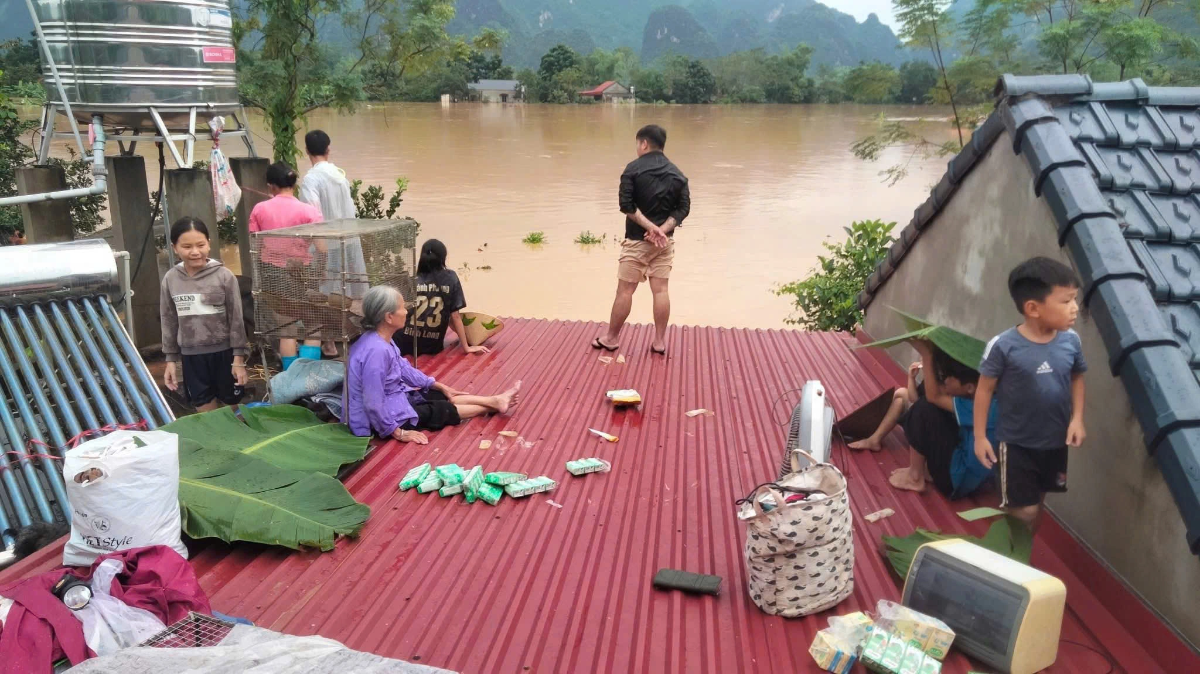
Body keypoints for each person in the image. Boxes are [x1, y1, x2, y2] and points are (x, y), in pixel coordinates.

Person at [975, 257, 1087, 532]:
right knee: (1024, 510)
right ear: (1033, 308)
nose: (1075, 308)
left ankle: (1022, 549)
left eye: (1075, 299)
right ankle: (1006, 547)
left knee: (1038, 501)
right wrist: (980, 437)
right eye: (1066, 301)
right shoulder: (1003, 346)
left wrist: (1077, 419)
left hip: (1054, 442)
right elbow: (984, 389)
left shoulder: (1071, 341)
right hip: (1016, 445)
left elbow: (1077, 377)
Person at [343, 286, 522, 444]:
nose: (406, 311)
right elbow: (373, 403)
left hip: (394, 398)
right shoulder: (376, 351)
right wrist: (398, 433)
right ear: (389, 317)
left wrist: (438, 385)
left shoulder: (382, 340)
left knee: (439, 395)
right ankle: (495, 404)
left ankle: (496, 401)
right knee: (440, 410)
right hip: (379, 420)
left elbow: (404, 369)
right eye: (402, 308)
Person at [593, 124, 690, 356]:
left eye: (638, 144)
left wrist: (650, 228)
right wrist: (661, 230)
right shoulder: (678, 174)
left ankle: (611, 338)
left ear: (644, 143)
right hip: (664, 243)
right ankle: (659, 342)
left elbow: (626, 205)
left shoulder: (633, 169)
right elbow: (683, 209)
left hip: (637, 241)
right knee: (661, 290)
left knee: (625, 291)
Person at [881, 341, 998, 498]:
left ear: (970, 387)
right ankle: (925, 469)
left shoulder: (981, 407)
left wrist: (927, 354)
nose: (946, 381)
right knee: (929, 397)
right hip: (968, 469)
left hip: (955, 481)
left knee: (924, 408)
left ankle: (914, 477)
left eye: (949, 377)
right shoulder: (987, 397)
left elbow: (933, 397)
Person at [160, 217, 249, 412]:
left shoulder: (224, 276)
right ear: (175, 248)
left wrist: (238, 360)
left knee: (234, 411)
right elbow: (168, 321)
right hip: (191, 358)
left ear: (209, 243)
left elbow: (236, 320)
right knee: (206, 412)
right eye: (187, 246)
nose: (195, 252)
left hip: (224, 355)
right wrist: (171, 360)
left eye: (200, 245)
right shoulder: (170, 279)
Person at [249, 161, 325, 369]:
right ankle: (310, 373)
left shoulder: (260, 209)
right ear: (294, 184)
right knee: (313, 325)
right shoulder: (310, 211)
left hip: (272, 272)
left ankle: (291, 374)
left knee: (287, 328)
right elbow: (322, 248)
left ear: (271, 186)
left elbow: (255, 246)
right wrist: (318, 273)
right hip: (302, 272)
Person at [297, 129, 367, 355]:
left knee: (323, 293)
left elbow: (311, 214)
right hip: (346, 241)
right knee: (342, 291)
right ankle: (343, 336)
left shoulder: (311, 179)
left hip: (324, 244)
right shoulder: (340, 176)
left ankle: (328, 342)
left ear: (306, 150)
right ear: (328, 149)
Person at [394, 239, 490, 357]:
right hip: (431, 346)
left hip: (404, 342)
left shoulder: (411, 279)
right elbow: (455, 316)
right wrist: (467, 347)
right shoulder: (450, 277)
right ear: (442, 258)